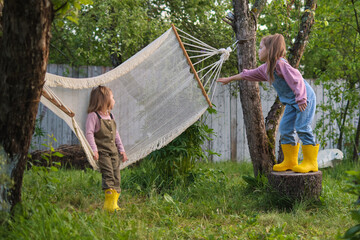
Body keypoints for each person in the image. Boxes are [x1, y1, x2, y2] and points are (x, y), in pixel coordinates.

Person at [217, 34, 319, 173]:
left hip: (304, 98)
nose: (258, 51)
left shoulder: (280, 64)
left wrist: (301, 99)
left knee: (302, 127)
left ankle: (311, 162)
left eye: (260, 48)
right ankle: (290, 161)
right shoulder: (266, 68)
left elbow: (297, 79)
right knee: (285, 129)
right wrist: (230, 79)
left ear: (269, 49)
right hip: (291, 103)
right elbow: (248, 74)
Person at [85, 85, 128, 212]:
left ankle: (114, 203)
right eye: (112, 98)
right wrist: (94, 150)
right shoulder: (94, 116)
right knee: (108, 175)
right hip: (102, 153)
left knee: (117, 176)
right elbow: (89, 133)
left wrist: (122, 150)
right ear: (104, 100)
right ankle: (108, 205)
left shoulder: (111, 116)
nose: (114, 100)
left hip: (114, 153)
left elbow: (116, 135)